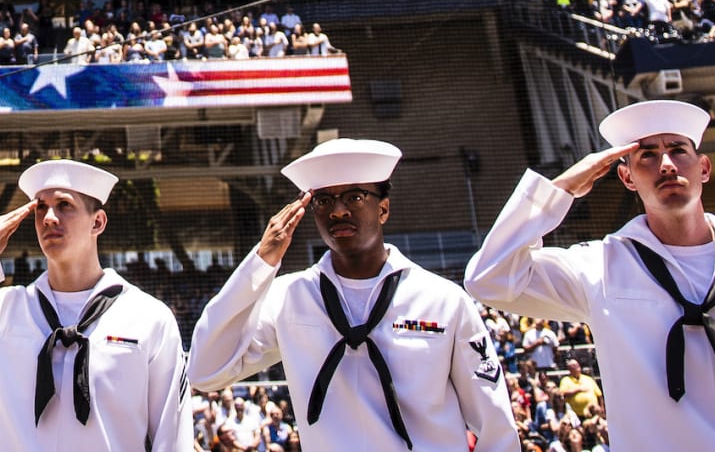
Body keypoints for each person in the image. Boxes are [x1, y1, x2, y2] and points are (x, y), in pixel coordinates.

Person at [465, 100, 715, 450]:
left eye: (678, 150)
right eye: (647, 156)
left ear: (704, 168)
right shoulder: (600, 267)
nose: (667, 165)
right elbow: (489, 277)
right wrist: (559, 191)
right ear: (625, 177)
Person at [187, 139, 519, 451]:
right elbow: (207, 370)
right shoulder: (290, 297)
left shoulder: (442, 299)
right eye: (324, 200)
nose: (338, 211)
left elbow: (494, 424)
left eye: (355, 197)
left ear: (384, 209)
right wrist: (259, 265)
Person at [0, 160, 190, 450]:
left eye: (64, 206)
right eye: (41, 208)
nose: (49, 218)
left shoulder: (148, 318)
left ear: (98, 222)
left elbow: (173, 439)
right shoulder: (0, 312)